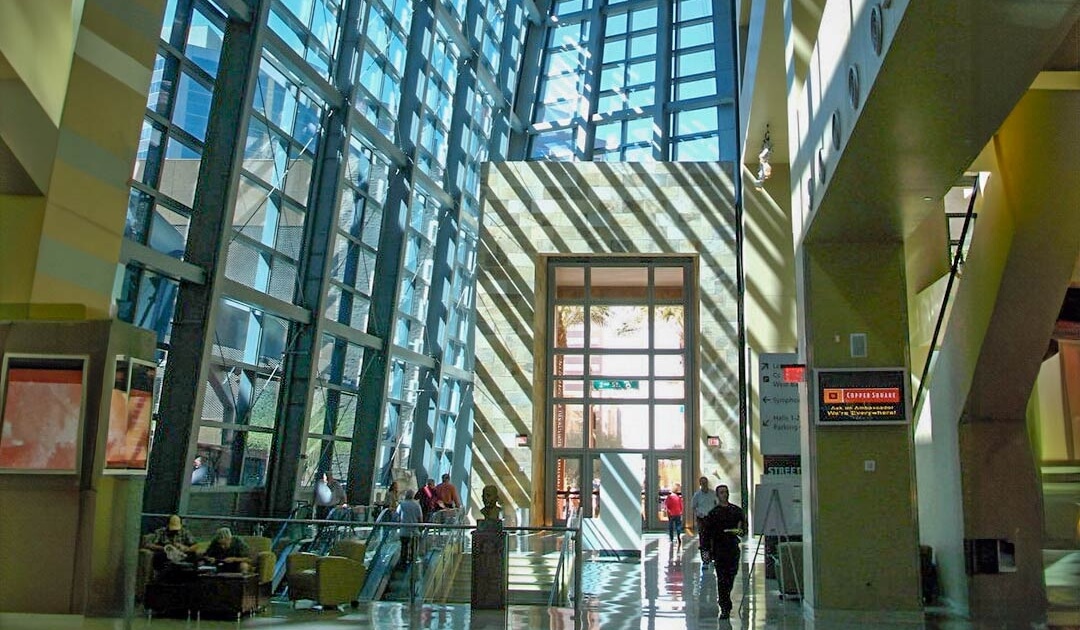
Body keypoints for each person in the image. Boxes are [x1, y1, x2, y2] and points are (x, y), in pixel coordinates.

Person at [702, 484, 747, 619]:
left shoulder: (736, 511)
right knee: (721, 578)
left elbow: (743, 530)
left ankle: (725, 599)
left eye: (726, 492)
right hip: (719, 549)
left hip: (733, 549)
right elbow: (706, 534)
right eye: (722, 492)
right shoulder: (713, 514)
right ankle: (725, 606)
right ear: (717, 495)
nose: (725, 494)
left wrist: (740, 531)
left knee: (731, 576)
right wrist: (706, 551)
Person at [690, 476, 720, 563]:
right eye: (702, 483)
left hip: (711, 518)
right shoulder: (697, 495)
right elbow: (693, 506)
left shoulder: (713, 493)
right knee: (703, 538)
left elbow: (717, 503)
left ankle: (712, 555)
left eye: (705, 482)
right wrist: (698, 513)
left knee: (713, 537)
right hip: (702, 518)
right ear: (700, 484)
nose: (704, 484)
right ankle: (705, 558)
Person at [396, 489, 423, 565]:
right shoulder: (416, 505)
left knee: (404, 547)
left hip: (404, 530)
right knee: (413, 548)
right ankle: (412, 562)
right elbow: (420, 518)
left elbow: (397, 516)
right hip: (414, 530)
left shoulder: (402, 504)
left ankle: (403, 563)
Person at [664, 483, 684, 548]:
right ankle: (678, 535)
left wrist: (668, 511)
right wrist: (681, 511)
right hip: (678, 513)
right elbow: (681, 505)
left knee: (671, 526)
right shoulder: (678, 497)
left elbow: (666, 505)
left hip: (671, 514)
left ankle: (671, 538)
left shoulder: (669, 497)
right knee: (678, 525)